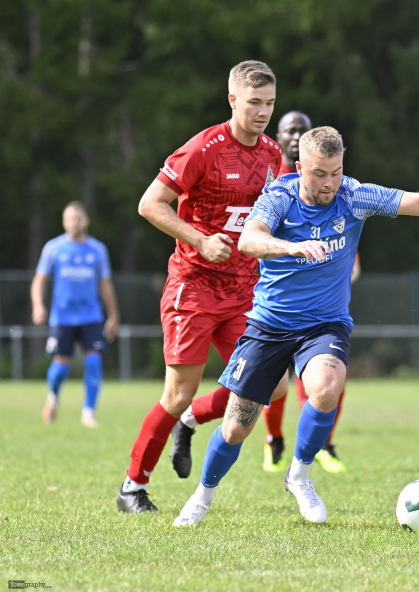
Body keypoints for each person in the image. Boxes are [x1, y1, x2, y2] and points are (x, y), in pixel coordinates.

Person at [172, 126, 419, 526]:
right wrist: (293, 247)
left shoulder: (352, 196)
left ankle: (300, 476)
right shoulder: (279, 197)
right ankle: (201, 498)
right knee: (236, 427)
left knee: (324, 389)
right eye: (320, 173)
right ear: (300, 167)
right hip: (270, 324)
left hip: (326, 323)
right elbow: (250, 240)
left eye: (336, 172)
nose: (329, 182)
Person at [116, 60, 288, 514]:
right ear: (232, 100)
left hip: (243, 290)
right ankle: (132, 487)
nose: (262, 112)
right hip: (192, 286)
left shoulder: (272, 154)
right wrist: (198, 239)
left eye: (269, 103)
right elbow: (149, 204)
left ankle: (190, 422)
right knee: (178, 393)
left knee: (272, 385)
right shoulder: (204, 148)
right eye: (254, 102)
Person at [261, 110, 350, 474]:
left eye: (302, 129)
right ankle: (274, 439)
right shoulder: (271, 180)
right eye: (289, 130)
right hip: (276, 297)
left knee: (328, 377)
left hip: (322, 295)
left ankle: (320, 446)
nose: (295, 135)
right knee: (272, 381)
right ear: (278, 138)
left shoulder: (327, 179)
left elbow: (339, 220)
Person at [32, 201, 120, 428]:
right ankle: (52, 399)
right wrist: (38, 306)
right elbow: (39, 281)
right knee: (61, 366)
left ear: (86, 220)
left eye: (78, 218)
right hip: (62, 318)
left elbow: (105, 285)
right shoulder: (54, 248)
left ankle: (88, 413)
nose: (74, 222)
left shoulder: (98, 250)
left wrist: (113, 315)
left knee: (94, 362)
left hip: (91, 316)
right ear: (63, 222)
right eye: (70, 218)